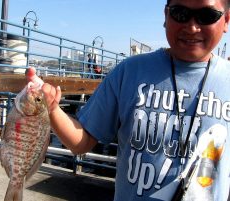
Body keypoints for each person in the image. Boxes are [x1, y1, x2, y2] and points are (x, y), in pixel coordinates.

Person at [28, 0, 230, 200]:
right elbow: (81, 143)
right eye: (180, 13)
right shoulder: (129, 71)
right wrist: (52, 109)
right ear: (166, 15)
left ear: (227, 20)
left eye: (207, 16)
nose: (192, 27)